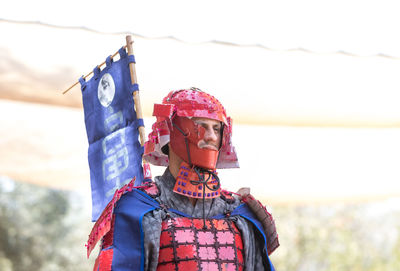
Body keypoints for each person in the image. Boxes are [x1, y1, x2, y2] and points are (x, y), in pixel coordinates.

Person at [86, 87, 279, 271]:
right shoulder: (136, 209)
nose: (211, 136)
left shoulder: (241, 213)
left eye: (217, 128)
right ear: (170, 133)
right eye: (200, 126)